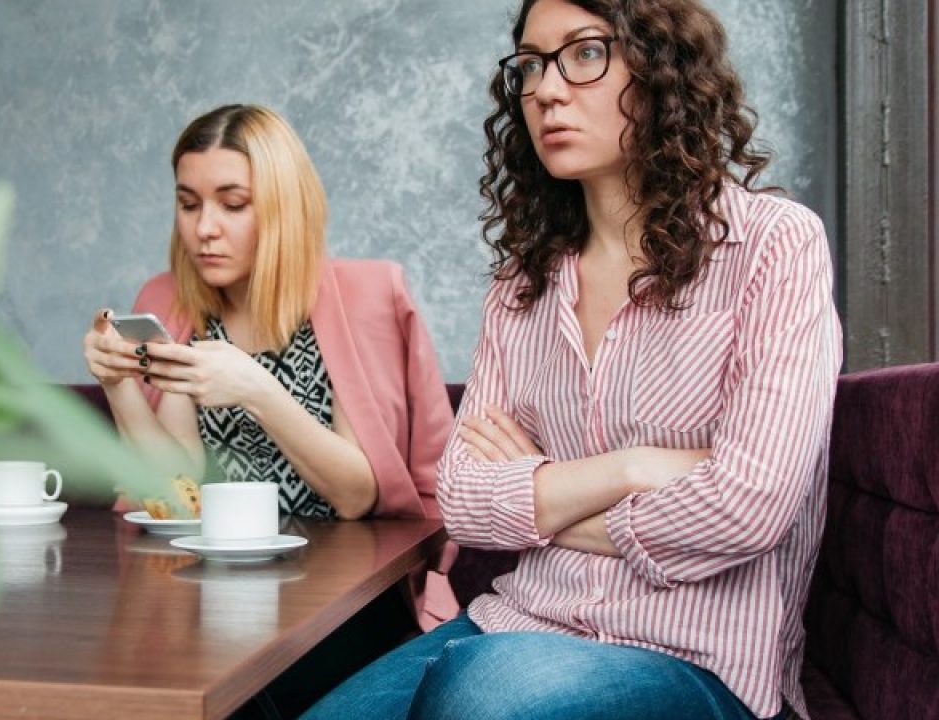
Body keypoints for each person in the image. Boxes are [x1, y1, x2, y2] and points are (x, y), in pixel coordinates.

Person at [302, 0, 841, 719]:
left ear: (660, 66)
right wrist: (632, 469)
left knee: (483, 697)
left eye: (585, 53)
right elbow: (464, 500)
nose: (548, 91)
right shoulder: (521, 284)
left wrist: (545, 496)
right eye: (531, 66)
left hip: (694, 658)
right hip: (518, 620)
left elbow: (749, 506)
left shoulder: (774, 246)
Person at [82, 104, 460, 630]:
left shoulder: (365, 297)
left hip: (345, 597)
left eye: (233, 204)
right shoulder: (170, 301)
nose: (204, 229)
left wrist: (256, 390)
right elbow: (176, 487)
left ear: (285, 208)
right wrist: (117, 383)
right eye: (188, 204)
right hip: (207, 590)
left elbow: (356, 496)